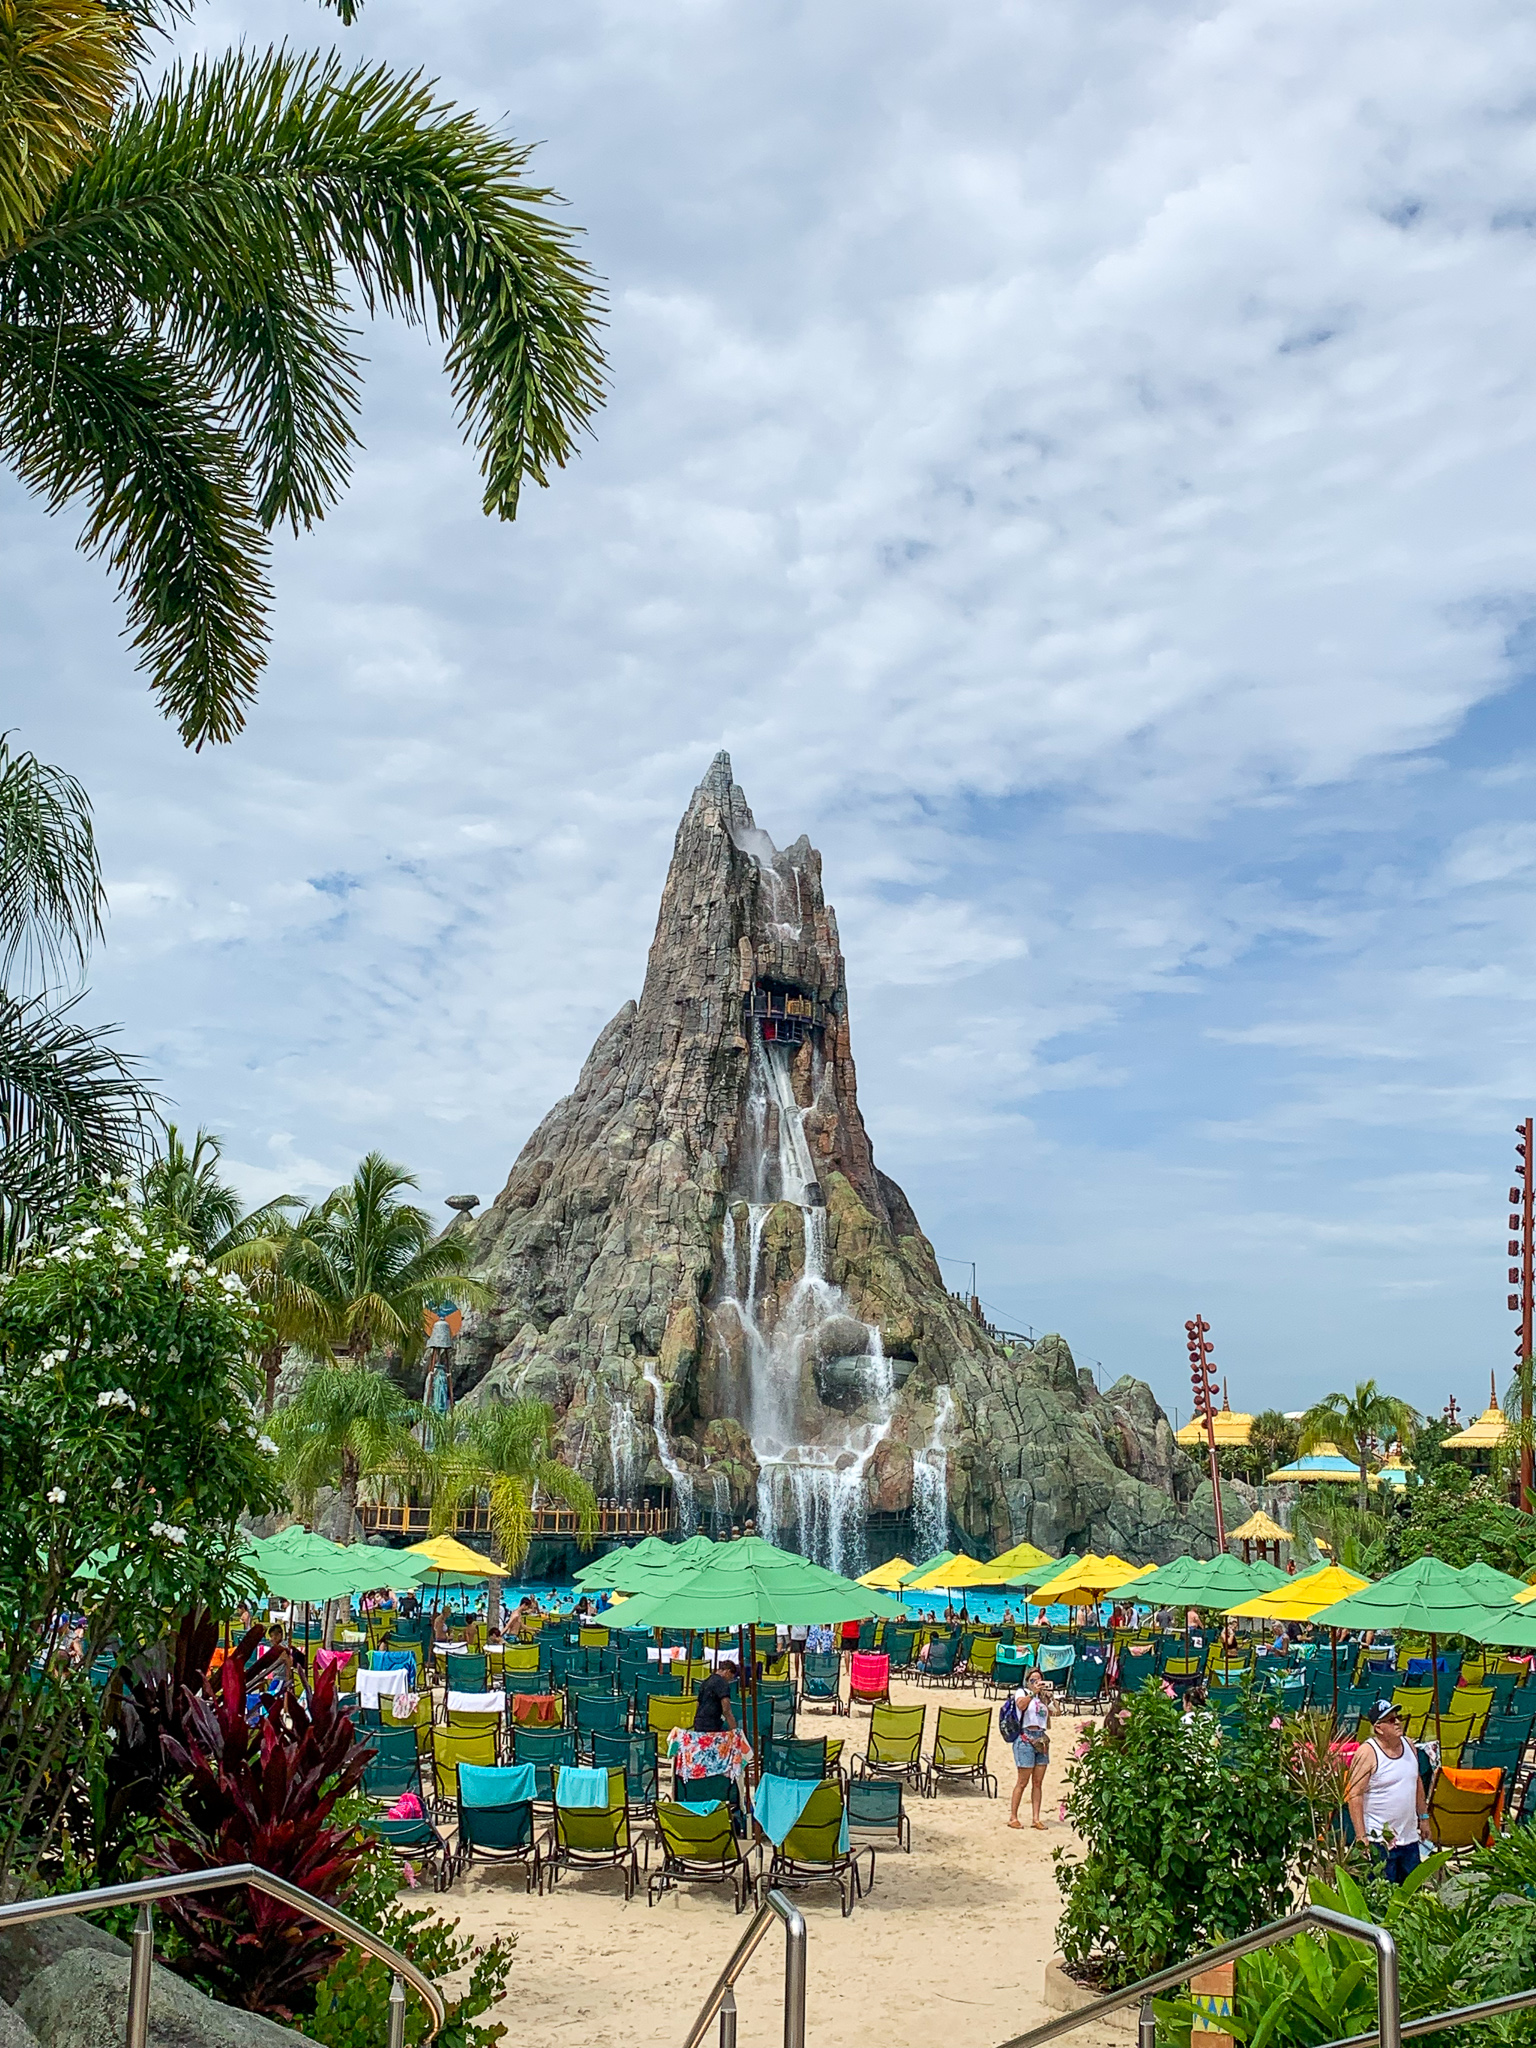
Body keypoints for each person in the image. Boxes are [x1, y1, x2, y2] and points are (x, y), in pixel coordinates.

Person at [1347, 1702, 1428, 1883]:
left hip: (1408, 1836)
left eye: (1398, 1718)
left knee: (1412, 1892)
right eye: (1391, 1720)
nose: (1398, 1722)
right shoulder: (1368, 1753)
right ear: (1379, 1728)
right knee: (1382, 1894)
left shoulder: (1408, 1745)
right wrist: (1361, 1837)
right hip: (1379, 1839)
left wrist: (1424, 1817)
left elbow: (1416, 1781)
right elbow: (1355, 1795)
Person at [1008, 1672, 1051, 1831]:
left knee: (1038, 1782)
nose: (1037, 1682)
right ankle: (1013, 1816)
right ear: (1027, 1682)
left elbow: (1056, 1712)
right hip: (1025, 1738)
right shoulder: (1022, 1692)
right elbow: (1020, 1705)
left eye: (1039, 1679)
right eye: (1033, 1680)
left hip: (1041, 1738)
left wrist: (1050, 1698)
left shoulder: (1042, 1698)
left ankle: (1036, 1818)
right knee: (1022, 1781)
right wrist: (1033, 1692)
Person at [694, 1657, 738, 1734]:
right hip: (712, 1724)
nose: (729, 1680)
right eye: (730, 1677)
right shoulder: (723, 1683)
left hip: (699, 1722)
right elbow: (726, 1710)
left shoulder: (705, 1681)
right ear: (728, 1672)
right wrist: (734, 1730)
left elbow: (698, 1704)